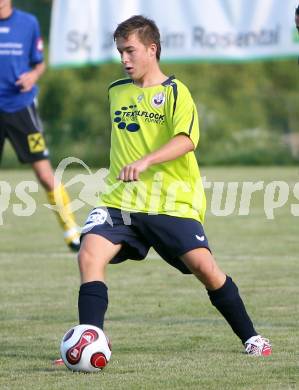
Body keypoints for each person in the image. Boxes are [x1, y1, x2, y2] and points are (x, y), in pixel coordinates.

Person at [77, 15, 272, 360]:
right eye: (120, 52)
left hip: (171, 203)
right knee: (89, 254)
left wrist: (147, 161)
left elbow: (187, 140)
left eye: (131, 51)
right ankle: (89, 340)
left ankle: (251, 337)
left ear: (152, 50)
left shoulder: (174, 92)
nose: (124, 59)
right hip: (120, 201)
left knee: (206, 270)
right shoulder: (115, 91)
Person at [0, 0, 80, 251]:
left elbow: (39, 63)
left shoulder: (28, 23)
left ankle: (71, 231)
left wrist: (32, 76)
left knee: (45, 175)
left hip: (21, 108)